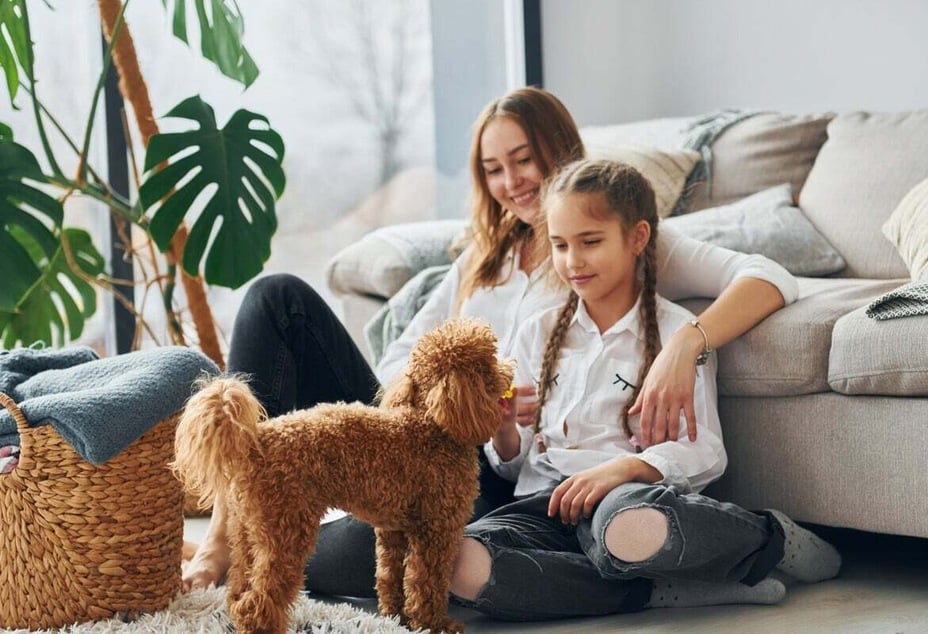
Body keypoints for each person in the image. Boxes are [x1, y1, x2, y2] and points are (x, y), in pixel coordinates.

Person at [182, 86, 799, 596]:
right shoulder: (486, 255)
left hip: (489, 461)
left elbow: (768, 276)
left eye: (523, 160)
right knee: (276, 298)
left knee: (318, 565)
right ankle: (221, 534)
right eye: (492, 169)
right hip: (416, 423)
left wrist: (684, 344)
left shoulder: (613, 243)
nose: (511, 183)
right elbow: (402, 355)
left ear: (559, 150)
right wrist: (398, 419)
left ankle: (639, 566)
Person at [447, 158, 840, 620]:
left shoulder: (675, 330)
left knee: (632, 530)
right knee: (459, 567)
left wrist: (623, 470)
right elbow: (514, 466)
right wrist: (504, 432)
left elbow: (706, 451)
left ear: (636, 238)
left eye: (590, 242)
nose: (573, 261)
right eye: (560, 245)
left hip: (624, 500)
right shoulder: (537, 332)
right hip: (542, 503)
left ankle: (767, 535)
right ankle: (655, 591)